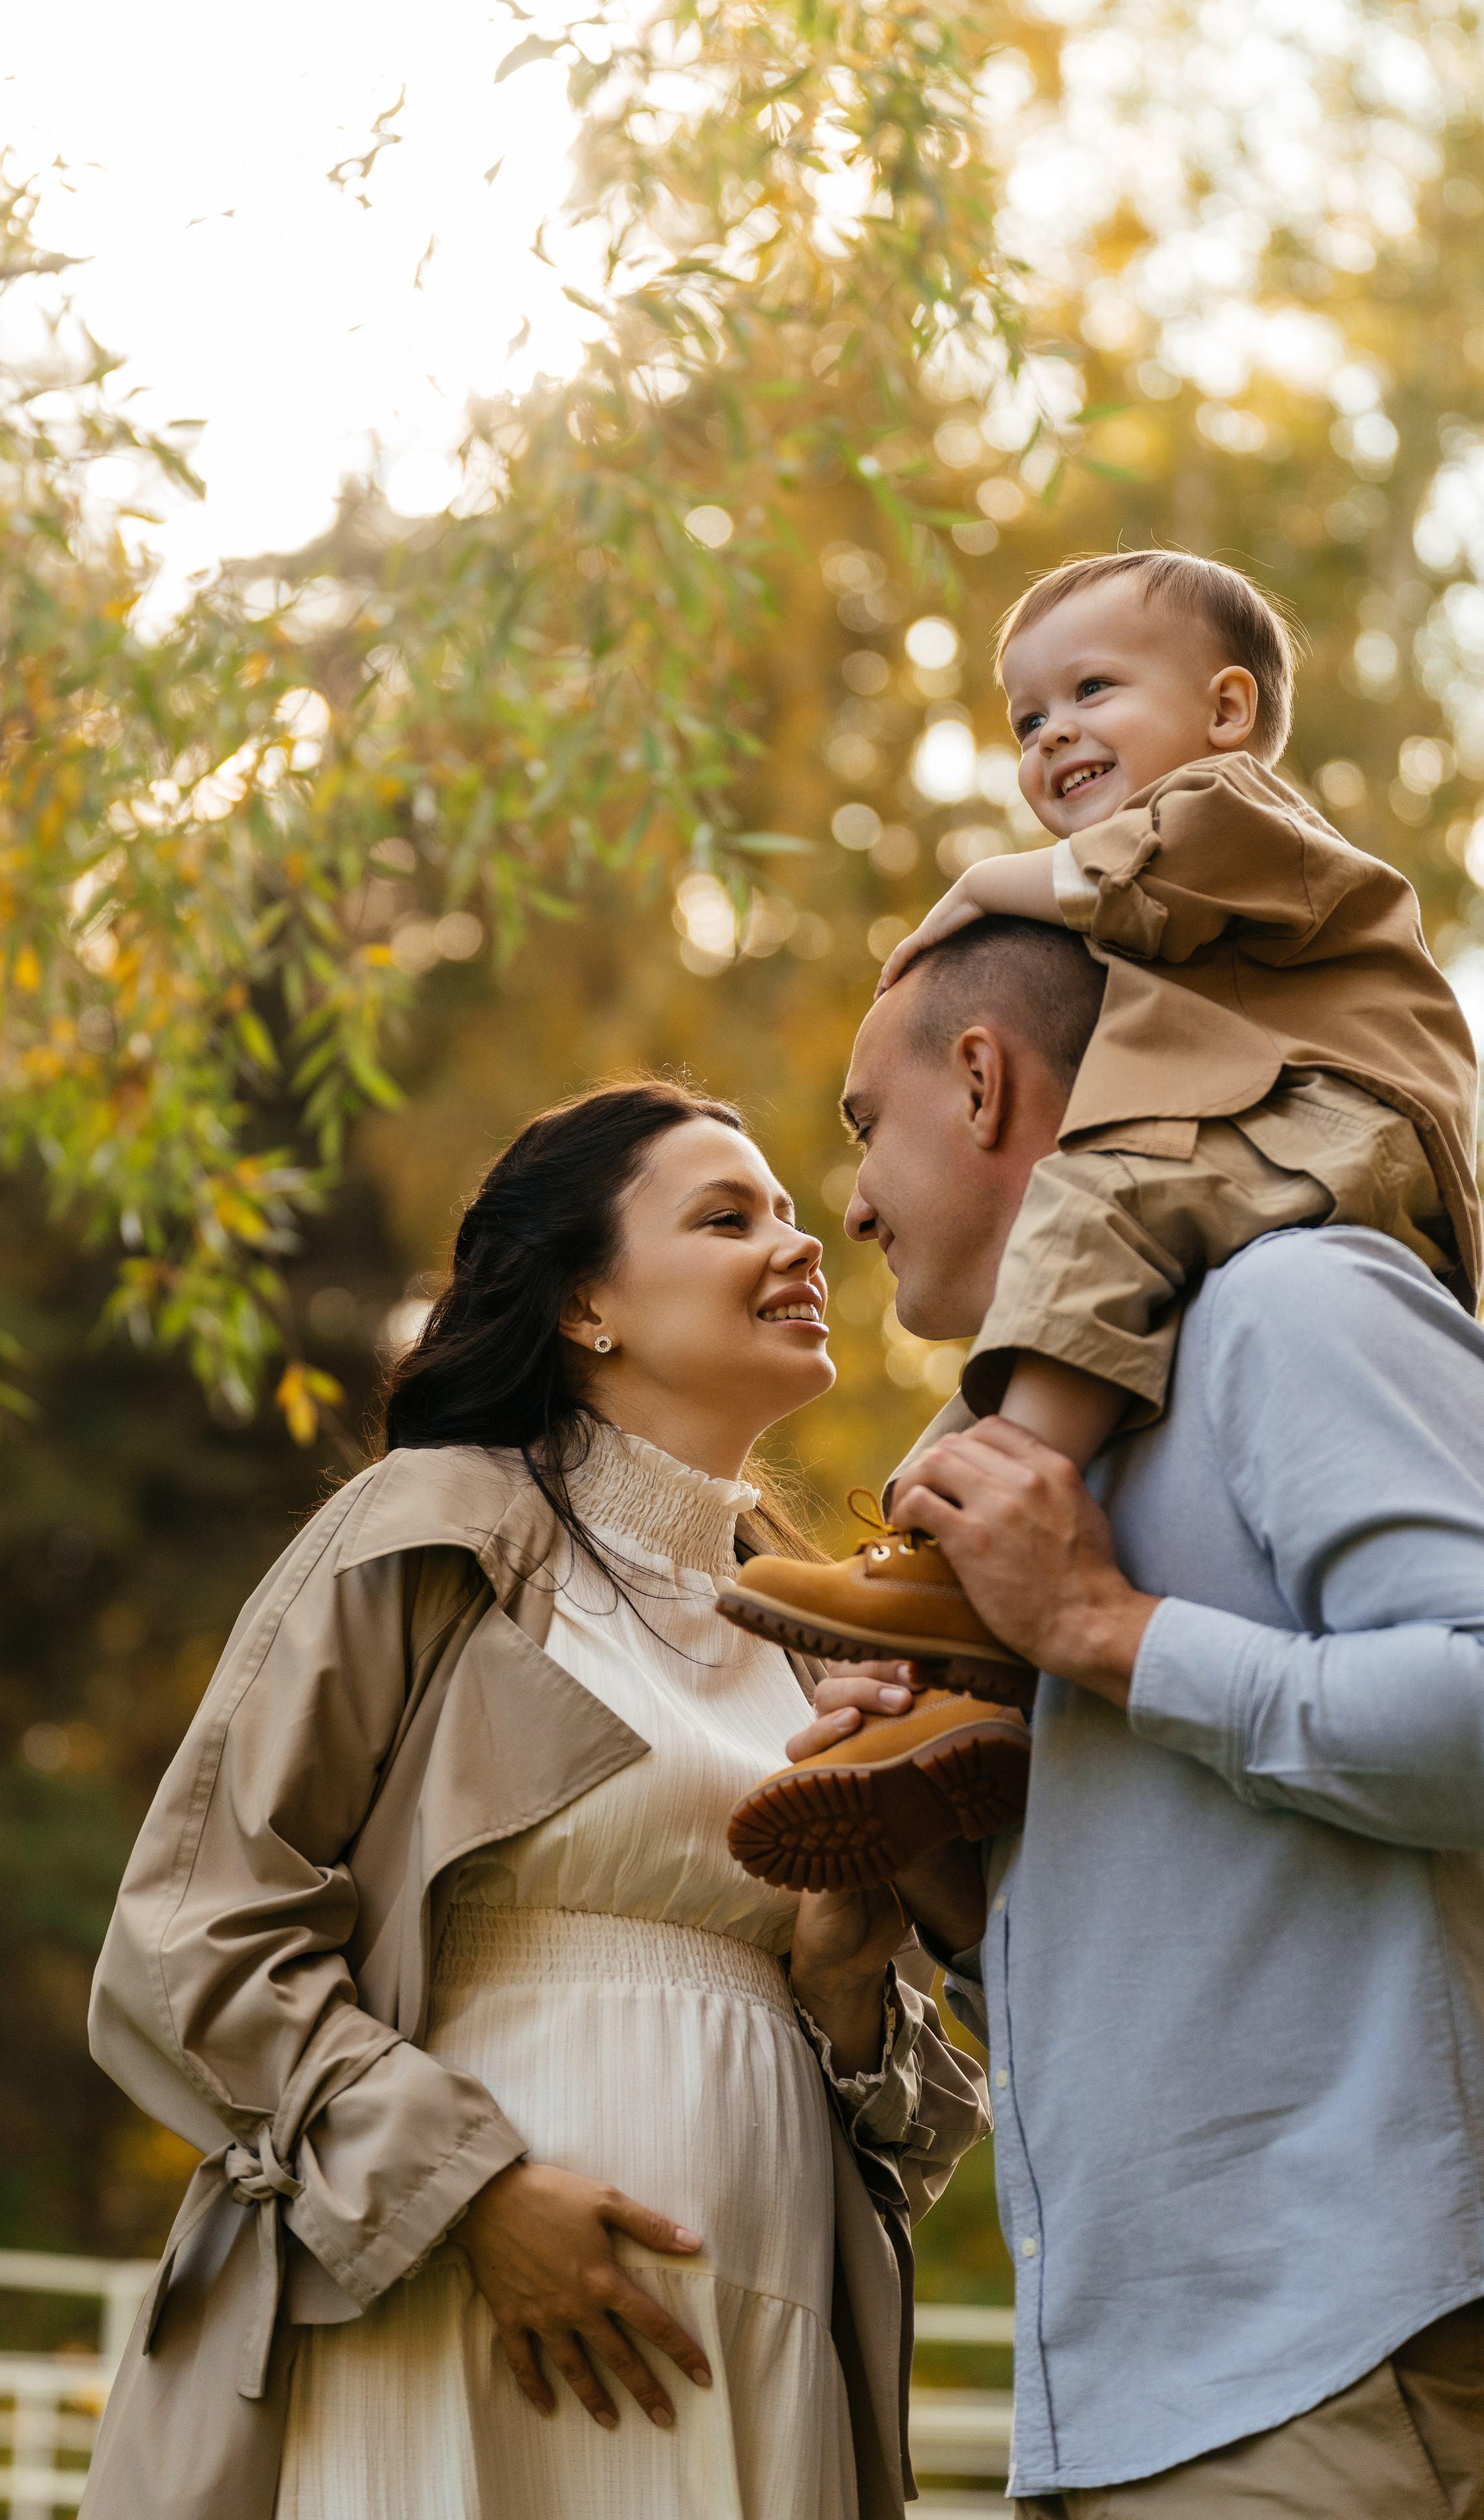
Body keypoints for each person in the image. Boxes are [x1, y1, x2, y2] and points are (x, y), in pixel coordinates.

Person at [77, 1080, 995, 2520]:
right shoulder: (427, 1531)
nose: (799, 1242)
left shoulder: (821, 1633)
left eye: (793, 1210)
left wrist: (841, 1983)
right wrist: (472, 2196)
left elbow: (908, 2123)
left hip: (757, 2315)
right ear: (583, 1307)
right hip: (453, 2307)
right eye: (724, 1215)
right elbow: (189, 1935)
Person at [788, 920, 1484, 2513]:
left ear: (979, 1084)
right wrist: (933, 1859)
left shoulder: (1293, 1307)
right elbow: (1173, 1936)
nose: (847, 1201)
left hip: (1342, 2372)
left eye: (858, 1129)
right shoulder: (1045, 1474)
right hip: (1118, 2404)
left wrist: (1105, 1632)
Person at [720, 549, 1479, 1680]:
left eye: (1092, 692)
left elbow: (1130, 874)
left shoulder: (1238, 812)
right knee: (1061, 1306)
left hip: (1345, 1119)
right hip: (1291, 1122)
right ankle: (940, 1602)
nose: (1052, 737)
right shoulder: (1171, 919)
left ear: (1229, 709)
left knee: (1099, 1199)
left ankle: (975, 1531)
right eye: (1028, 720)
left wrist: (982, 884)